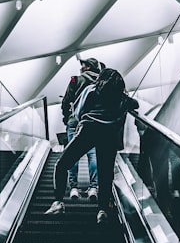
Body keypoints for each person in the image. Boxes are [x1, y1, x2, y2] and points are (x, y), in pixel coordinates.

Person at [46, 67, 139, 224]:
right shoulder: (121, 97)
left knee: (62, 165)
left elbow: (79, 111)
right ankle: (102, 211)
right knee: (105, 174)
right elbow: (135, 105)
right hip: (109, 135)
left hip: (88, 130)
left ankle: (58, 203)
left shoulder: (91, 89)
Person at [61, 57, 102, 201]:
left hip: (75, 122)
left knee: (72, 155)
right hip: (94, 122)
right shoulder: (102, 82)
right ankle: (93, 188)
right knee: (93, 155)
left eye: (83, 65)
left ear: (89, 67)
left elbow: (66, 101)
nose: (81, 67)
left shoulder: (75, 80)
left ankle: (73, 188)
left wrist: (67, 118)